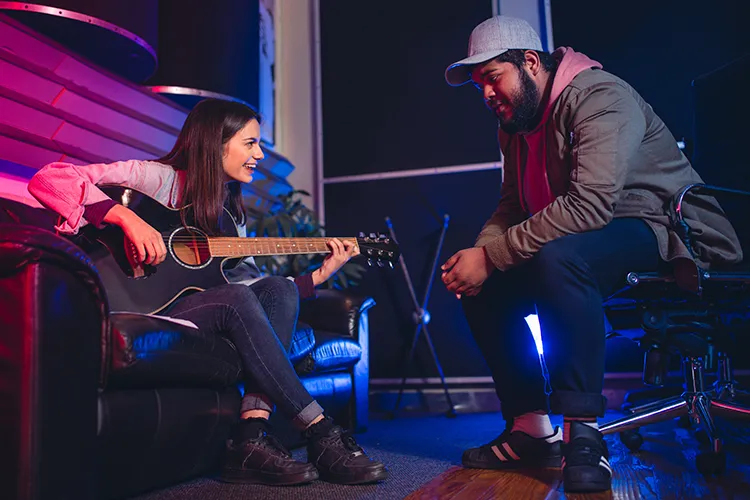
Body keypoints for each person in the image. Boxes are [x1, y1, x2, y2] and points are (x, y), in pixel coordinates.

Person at [440, 16, 741, 493]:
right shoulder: (515, 126)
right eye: (479, 86)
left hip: (669, 230)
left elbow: (590, 205)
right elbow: (513, 206)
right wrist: (480, 256)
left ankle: (584, 434)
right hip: (592, 236)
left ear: (530, 63)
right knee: (486, 280)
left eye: (492, 78)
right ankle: (531, 430)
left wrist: (494, 255)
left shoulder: (600, 96)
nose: (486, 94)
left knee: (558, 257)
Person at [27, 98, 388, 486]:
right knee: (237, 300)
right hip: (134, 301)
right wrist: (126, 217)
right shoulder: (151, 177)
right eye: (250, 143)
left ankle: (250, 438)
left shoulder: (230, 217)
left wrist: (317, 276)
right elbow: (49, 178)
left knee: (278, 288)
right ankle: (319, 429)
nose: (260, 154)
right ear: (217, 144)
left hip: (198, 307)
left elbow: (251, 288)